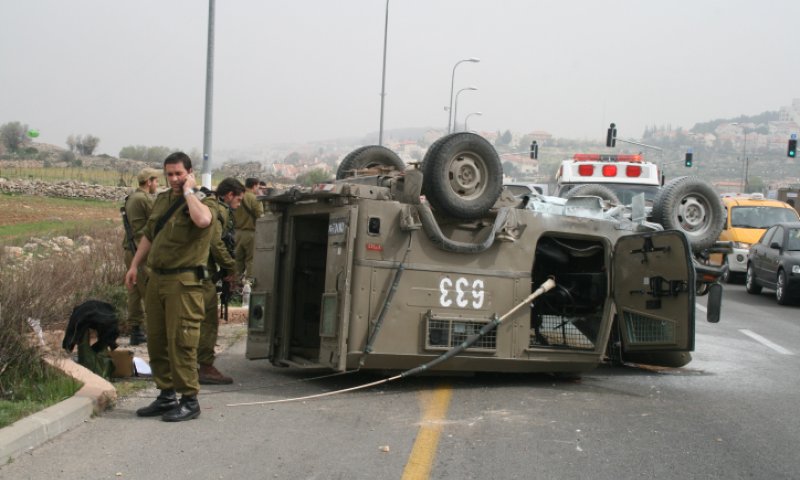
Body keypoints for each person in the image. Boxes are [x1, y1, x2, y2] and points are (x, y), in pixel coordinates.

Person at [124, 152, 213, 422]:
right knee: (157, 339)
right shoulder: (162, 200)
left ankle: (189, 399)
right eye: (169, 174)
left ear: (189, 172)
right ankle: (166, 395)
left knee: (182, 341)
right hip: (158, 278)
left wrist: (188, 191)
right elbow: (149, 235)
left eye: (178, 174)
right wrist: (134, 266)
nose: (173, 179)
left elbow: (203, 221)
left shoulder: (200, 198)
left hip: (183, 282)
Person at [198, 178, 244, 385]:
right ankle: (205, 366)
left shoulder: (204, 204)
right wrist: (231, 265)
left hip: (192, 272)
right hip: (200, 275)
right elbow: (215, 242)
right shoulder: (217, 209)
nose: (239, 204)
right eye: (239, 199)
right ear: (229, 195)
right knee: (208, 321)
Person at [121, 167, 160, 345]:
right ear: (149, 182)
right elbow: (158, 221)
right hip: (141, 251)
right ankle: (154, 331)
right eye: (156, 181)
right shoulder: (144, 199)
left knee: (135, 293)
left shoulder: (131, 198)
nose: (157, 184)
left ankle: (136, 330)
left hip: (130, 249)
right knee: (150, 293)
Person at [233, 177, 264, 283]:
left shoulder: (237, 197)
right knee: (251, 260)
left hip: (237, 233)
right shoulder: (255, 199)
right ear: (254, 185)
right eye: (258, 186)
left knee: (237, 260)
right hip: (251, 233)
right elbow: (260, 216)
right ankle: (249, 284)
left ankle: (235, 284)